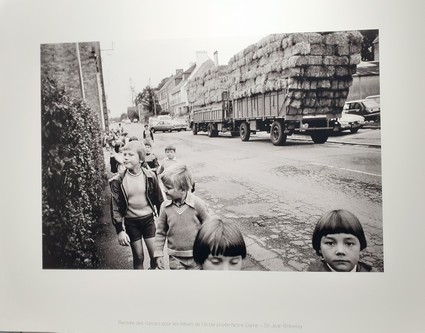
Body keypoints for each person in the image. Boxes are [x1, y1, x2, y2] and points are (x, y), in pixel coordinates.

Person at [109, 141, 164, 269]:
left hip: (149, 220)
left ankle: (151, 275)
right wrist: (120, 230)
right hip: (131, 222)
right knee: (138, 257)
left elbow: (159, 200)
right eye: (124, 154)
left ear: (140, 159)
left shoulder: (150, 176)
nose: (126, 157)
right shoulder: (118, 180)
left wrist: (163, 223)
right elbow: (115, 207)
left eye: (130, 154)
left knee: (156, 257)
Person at [154, 163, 210, 270]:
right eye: (164, 186)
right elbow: (160, 231)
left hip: (197, 256)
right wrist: (158, 253)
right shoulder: (165, 207)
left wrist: (209, 251)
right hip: (175, 258)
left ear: (183, 189)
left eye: (168, 188)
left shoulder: (197, 204)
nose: (164, 190)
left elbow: (209, 227)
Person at [307, 209, 376, 272]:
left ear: (361, 247)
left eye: (349, 244)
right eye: (330, 243)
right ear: (319, 248)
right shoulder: (313, 271)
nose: (340, 251)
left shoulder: (371, 275)